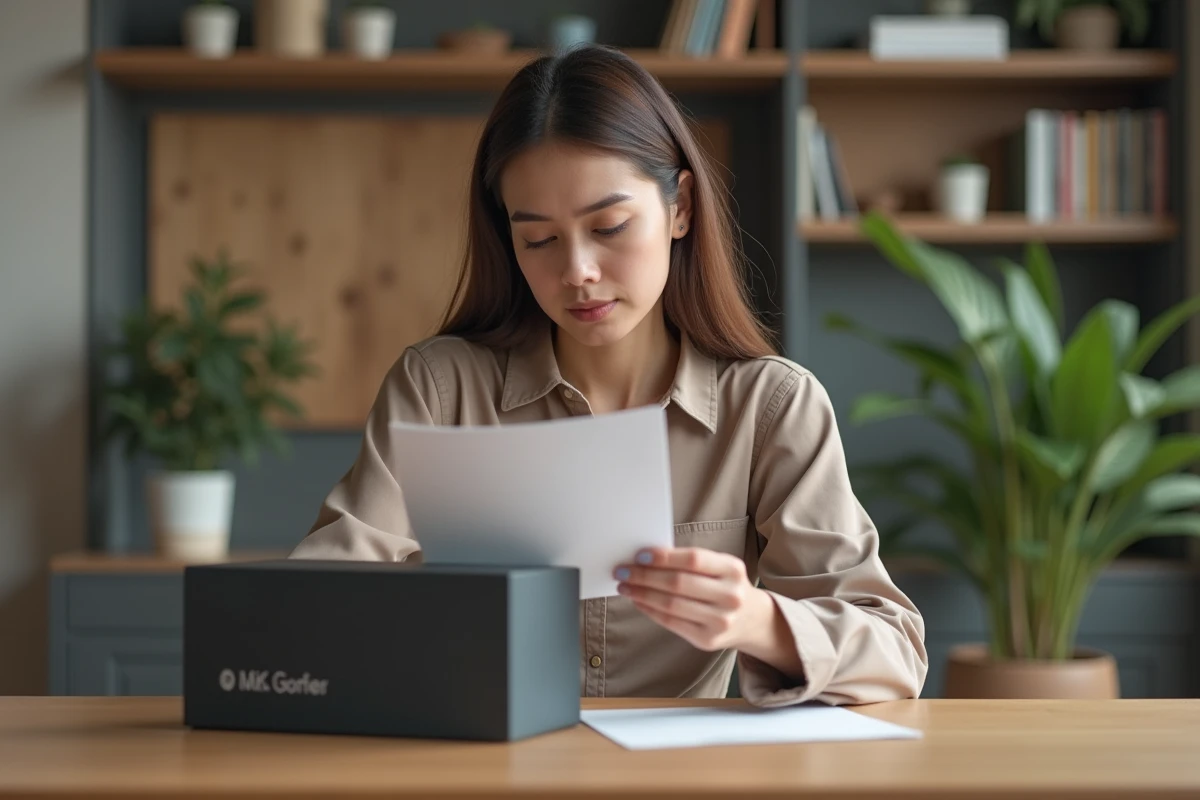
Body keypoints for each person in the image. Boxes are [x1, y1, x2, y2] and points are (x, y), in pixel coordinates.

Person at [290, 45, 927, 708]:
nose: (578, 271)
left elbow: (896, 654)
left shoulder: (770, 407)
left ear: (680, 207)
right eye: (538, 239)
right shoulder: (441, 387)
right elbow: (317, 599)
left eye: (610, 226)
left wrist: (756, 620)